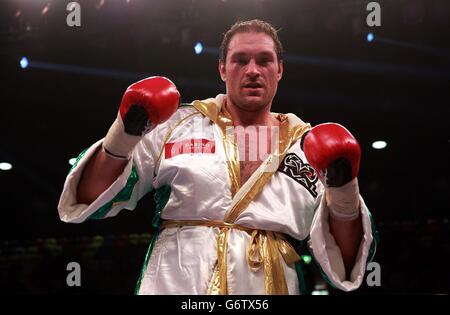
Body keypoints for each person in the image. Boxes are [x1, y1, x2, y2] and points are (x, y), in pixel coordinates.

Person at [58, 19, 377, 295]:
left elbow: (346, 262)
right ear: (222, 68)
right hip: (179, 281)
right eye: (240, 60)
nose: (253, 70)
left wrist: (344, 187)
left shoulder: (308, 146)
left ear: (279, 70)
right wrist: (123, 134)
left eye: (264, 60)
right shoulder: (177, 125)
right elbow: (88, 198)